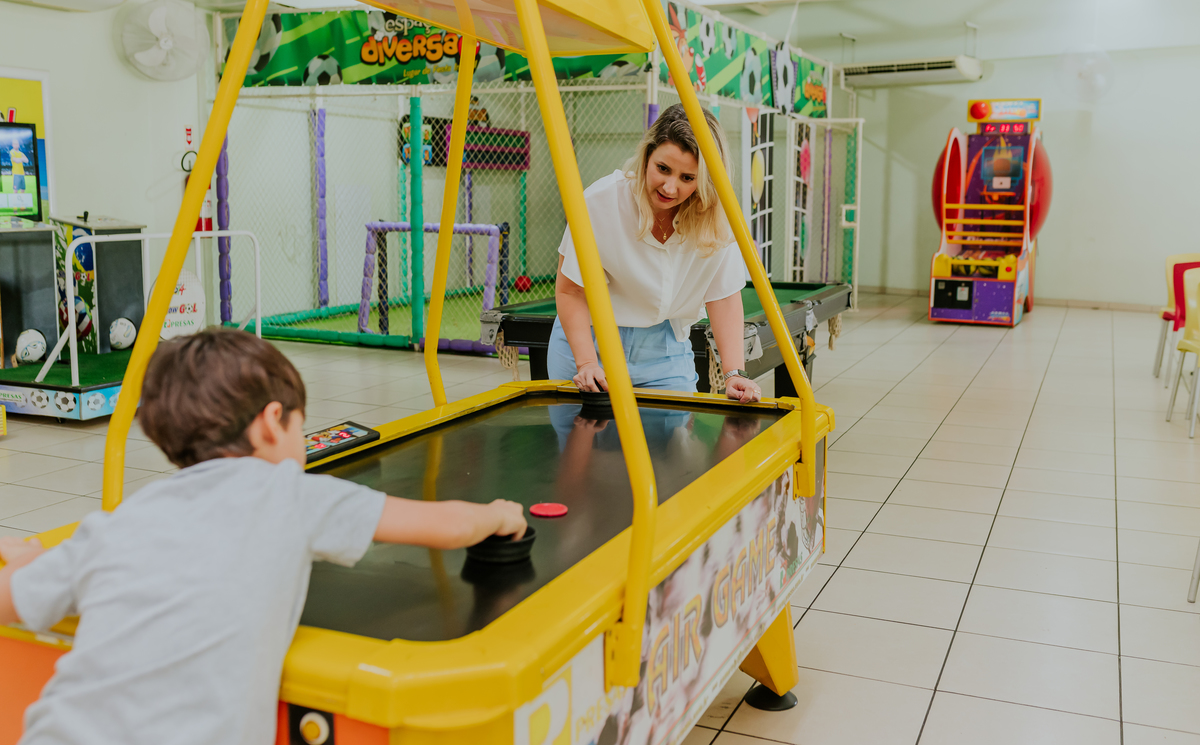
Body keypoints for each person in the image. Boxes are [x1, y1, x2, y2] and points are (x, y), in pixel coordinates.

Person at [0, 328, 525, 745]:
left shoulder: (124, 518)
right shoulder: (290, 495)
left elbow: (10, 599)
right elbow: (448, 527)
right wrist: (498, 514)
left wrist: (31, 561)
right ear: (273, 422)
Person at [551, 103, 763, 403]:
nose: (670, 187)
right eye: (663, 169)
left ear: (705, 180)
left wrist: (734, 373)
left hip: (664, 349)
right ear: (647, 156)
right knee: (582, 433)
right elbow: (571, 290)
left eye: (687, 178)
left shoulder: (718, 218)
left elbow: (724, 296)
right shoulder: (600, 201)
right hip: (588, 339)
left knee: (673, 434)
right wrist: (586, 363)